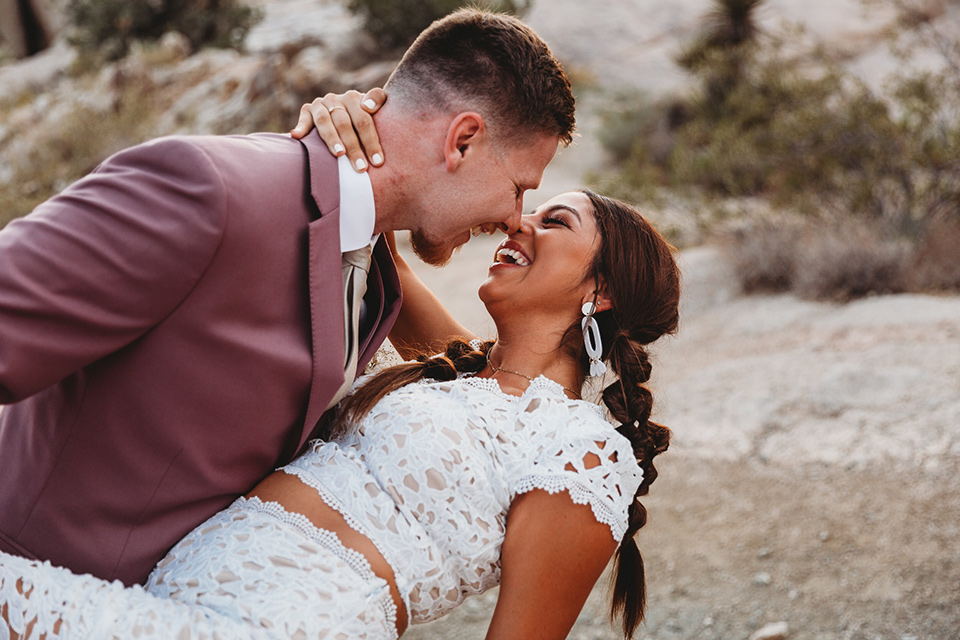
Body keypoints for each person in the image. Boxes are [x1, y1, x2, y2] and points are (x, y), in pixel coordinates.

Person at [0, 8, 575, 587]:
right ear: (464, 140)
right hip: (36, 588)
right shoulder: (210, 189)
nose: (512, 219)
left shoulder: (374, 265)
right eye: (520, 188)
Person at [0, 188, 681, 639]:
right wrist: (344, 114)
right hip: (168, 596)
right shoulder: (459, 370)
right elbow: (379, 222)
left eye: (554, 221)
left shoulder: (580, 452)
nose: (517, 223)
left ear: (603, 289)